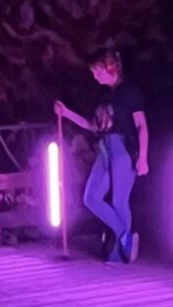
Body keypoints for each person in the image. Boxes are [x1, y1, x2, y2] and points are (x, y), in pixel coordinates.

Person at [53, 48, 149, 263]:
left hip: (123, 148)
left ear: (111, 69)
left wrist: (143, 156)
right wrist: (67, 113)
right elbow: (92, 125)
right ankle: (125, 237)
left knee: (119, 200)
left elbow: (141, 125)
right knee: (91, 197)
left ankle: (120, 252)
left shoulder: (130, 92)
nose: (95, 76)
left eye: (98, 71)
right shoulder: (104, 96)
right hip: (104, 149)